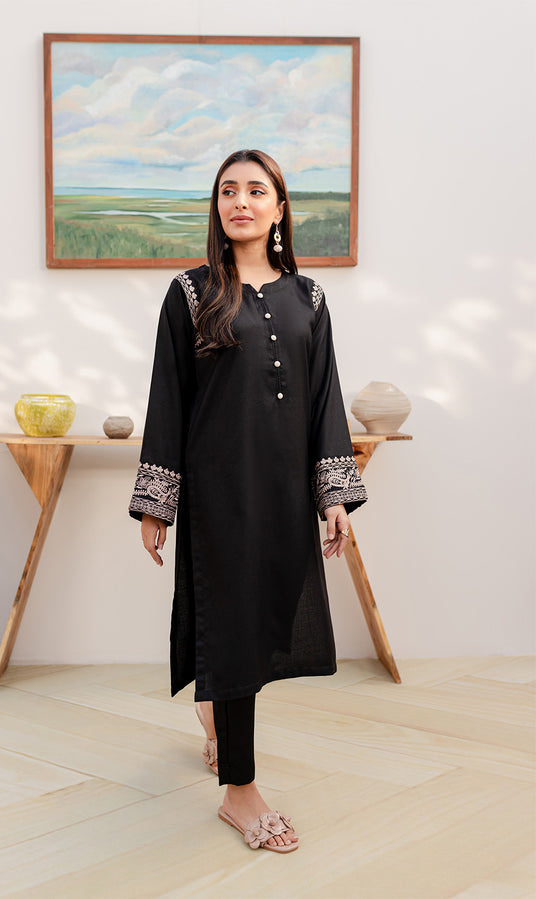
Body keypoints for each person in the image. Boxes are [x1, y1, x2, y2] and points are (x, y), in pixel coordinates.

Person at [129, 149, 368, 853]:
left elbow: (325, 399)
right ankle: (240, 789)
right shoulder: (190, 292)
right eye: (228, 190)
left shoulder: (309, 298)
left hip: (284, 493)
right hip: (218, 494)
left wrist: (332, 496)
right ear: (218, 206)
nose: (241, 200)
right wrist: (156, 503)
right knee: (232, 628)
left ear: (279, 207)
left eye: (255, 189)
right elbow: (167, 401)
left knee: (261, 625)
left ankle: (214, 707)